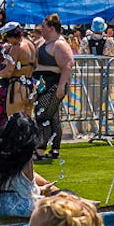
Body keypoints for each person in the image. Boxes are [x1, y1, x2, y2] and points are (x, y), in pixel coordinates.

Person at [34, 13, 75, 157]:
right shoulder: (41, 43)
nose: (41, 29)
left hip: (55, 83)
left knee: (42, 114)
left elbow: (68, 65)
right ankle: (55, 149)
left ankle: (40, 149)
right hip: (43, 83)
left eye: (44, 27)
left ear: (51, 28)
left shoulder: (60, 44)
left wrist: (61, 86)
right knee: (53, 116)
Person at [0, 21, 39, 118]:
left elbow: (8, 72)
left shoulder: (16, 48)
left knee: (14, 122)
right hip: (30, 87)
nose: (8, 42)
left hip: (18, 88)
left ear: (9, 36)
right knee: (28, 124)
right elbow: (35, 65)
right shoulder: (31, 44)